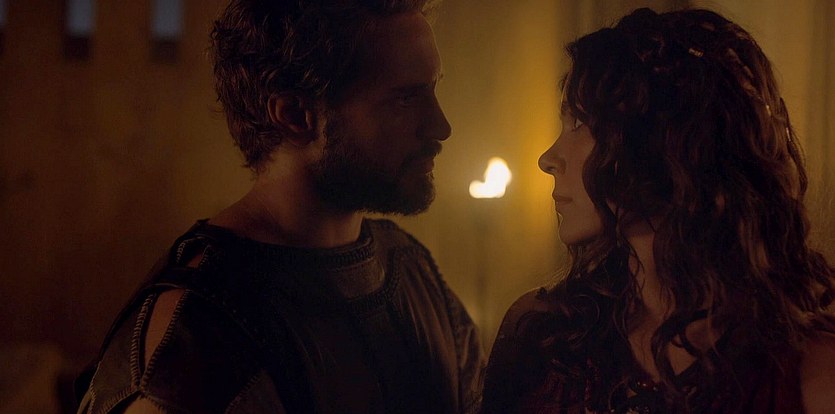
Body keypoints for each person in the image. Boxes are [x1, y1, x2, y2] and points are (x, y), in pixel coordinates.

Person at [75, 1, 485, 413]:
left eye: (433, 89)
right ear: (295, 115)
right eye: (405, 99)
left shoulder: (412, 270)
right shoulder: (200, 335)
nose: (441, 127)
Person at [482, 8, 835, 414]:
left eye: (578, 123)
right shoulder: (544, 341)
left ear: (663, 140)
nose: (547, 159)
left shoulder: (808, 375)